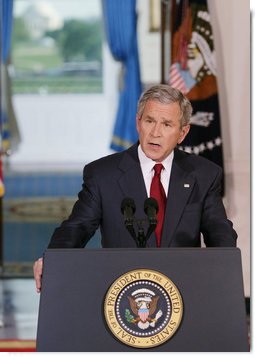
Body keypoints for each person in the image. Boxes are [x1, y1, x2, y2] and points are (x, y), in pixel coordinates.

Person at [33, 84, 237, 292]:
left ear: (182, 133)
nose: (155, 133)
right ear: (138, 123)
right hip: (121, 292)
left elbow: (219, 231)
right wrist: (52, 258)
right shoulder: (103, 175)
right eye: (149, 121)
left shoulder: (203, 174)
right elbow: (77, 227)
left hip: (183, 290)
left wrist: (227, 267)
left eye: (167, 124)